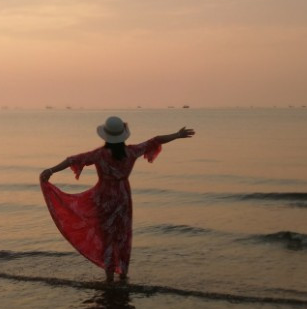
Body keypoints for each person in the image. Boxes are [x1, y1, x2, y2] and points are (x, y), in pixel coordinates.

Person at [40, 116, 195, 281]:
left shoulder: (99, 154)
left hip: (104, 199)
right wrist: (177, 135)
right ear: (123, 135)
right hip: (123, 198)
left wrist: (50, 171)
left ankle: (109, 278)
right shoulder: (131, 152)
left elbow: (72, 160)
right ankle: (123, 274)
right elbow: (155, 140)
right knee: (123, 237)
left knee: (107, 239)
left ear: (106, 136)